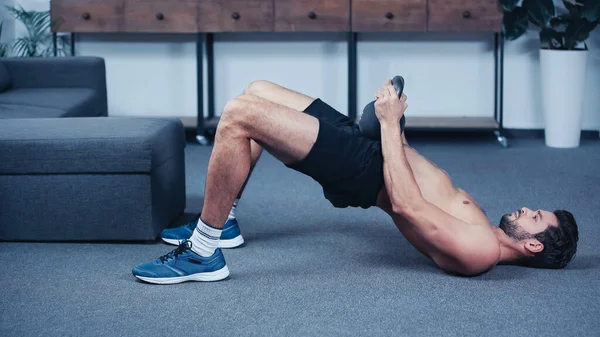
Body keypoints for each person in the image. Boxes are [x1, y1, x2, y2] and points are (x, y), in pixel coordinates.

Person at [132, 79, 579, 284]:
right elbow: (418, 180)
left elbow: (406, 206)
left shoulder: (480, 251)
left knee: (238, 115)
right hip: (372, 148)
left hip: (361, 170)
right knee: (256, 91)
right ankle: (224, 219)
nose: (525, 209)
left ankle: (203, 252)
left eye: (535, 217)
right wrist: (393, 128)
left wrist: (388, 126)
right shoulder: (483, 226)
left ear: (534, 245)